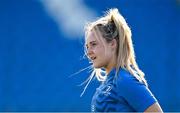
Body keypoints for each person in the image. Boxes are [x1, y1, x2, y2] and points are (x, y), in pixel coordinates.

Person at [84, 8, 163, 112]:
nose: (88, 52)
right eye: (87, 46)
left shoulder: (124, 80)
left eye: (94, 44)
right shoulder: (109, 84)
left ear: (112, 44)